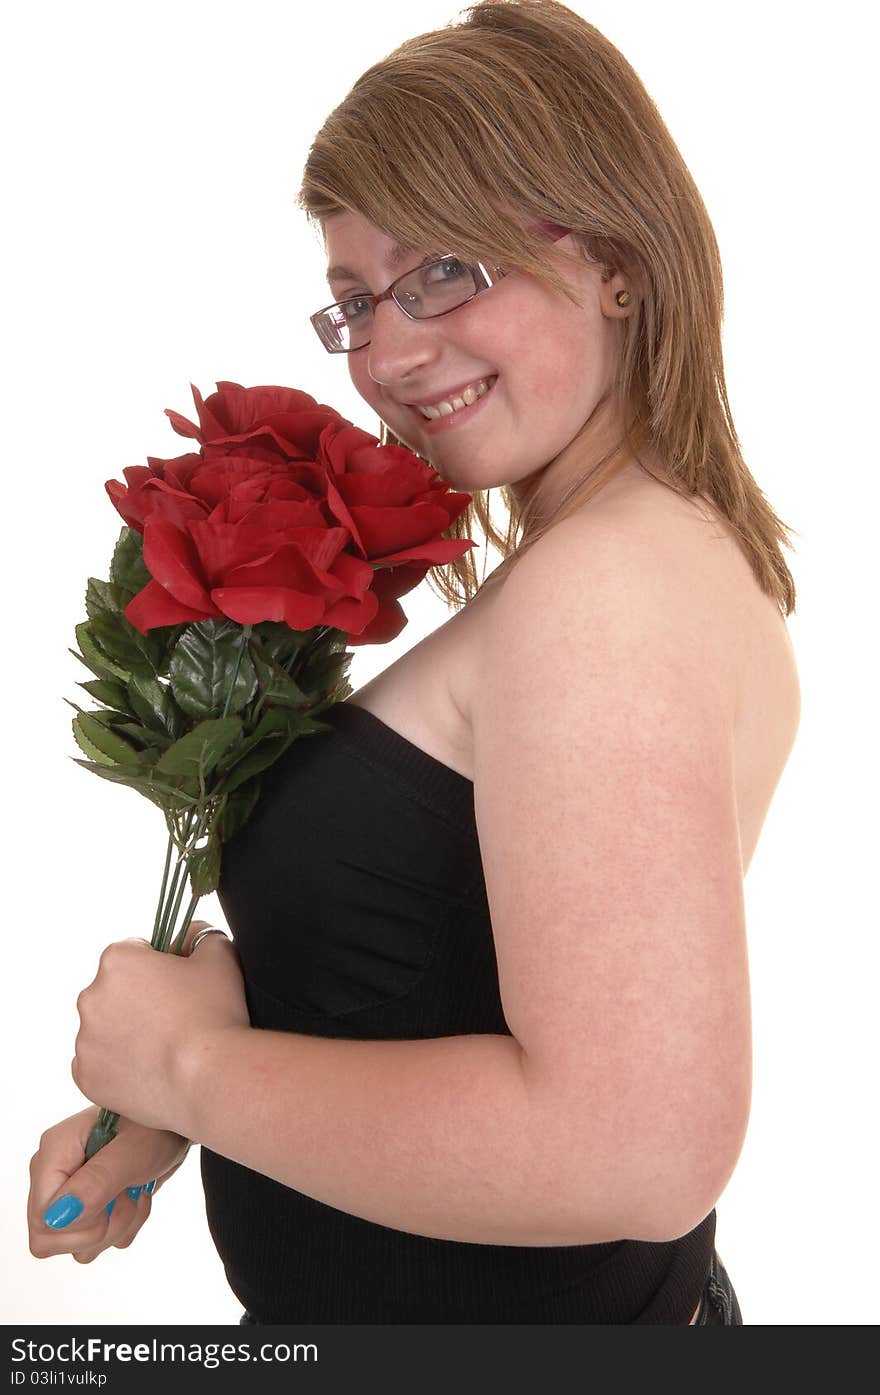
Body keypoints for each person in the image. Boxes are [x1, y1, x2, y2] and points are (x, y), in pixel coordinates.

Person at [27, 0, 799, 1324]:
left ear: (618, 255)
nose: (385, 351)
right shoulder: (642, 557)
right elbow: (458, 975)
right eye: (354, 301)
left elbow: (633, 1151)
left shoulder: (603, 591)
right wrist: (221, 1054)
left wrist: (198, 1072)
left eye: (445, 269)